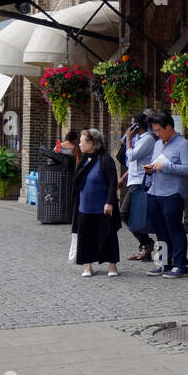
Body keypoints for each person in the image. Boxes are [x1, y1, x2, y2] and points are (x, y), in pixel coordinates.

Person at [143, 111, 188, 278]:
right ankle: (164, 263)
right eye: (155, 131)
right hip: (155, 191)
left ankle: (181, 265)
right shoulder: (158, 144)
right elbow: (155, 164)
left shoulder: (184, 145)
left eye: (159, 130)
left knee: (174, 229)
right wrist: (150, 170)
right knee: (160, 230)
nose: (157, 134)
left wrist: (164, 167)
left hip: (172, 193)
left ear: (169, 127)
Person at [69, 129, 121, 278]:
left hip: (103, 206)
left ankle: (112, 265)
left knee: (108, 236)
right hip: (84, 206)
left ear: (91, 143)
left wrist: (109, 203)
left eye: (82, 141)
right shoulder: (85, 159)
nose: (79, 143)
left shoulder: (105, 160)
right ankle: (87, 266)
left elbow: (112, 183)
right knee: (86, 237)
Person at [119, 112, 156, 261]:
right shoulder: (138, 139)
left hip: (141, 182)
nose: (130, 126)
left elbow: (132, 156)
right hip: (133, 180)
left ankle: (147, 243)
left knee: (124, 212)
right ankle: (145, 247)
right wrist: (123, 178)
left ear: (137, 125)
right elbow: (133, 163)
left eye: (132, 123)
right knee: (133, 215)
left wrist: (128, 138)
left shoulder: (147, 139)